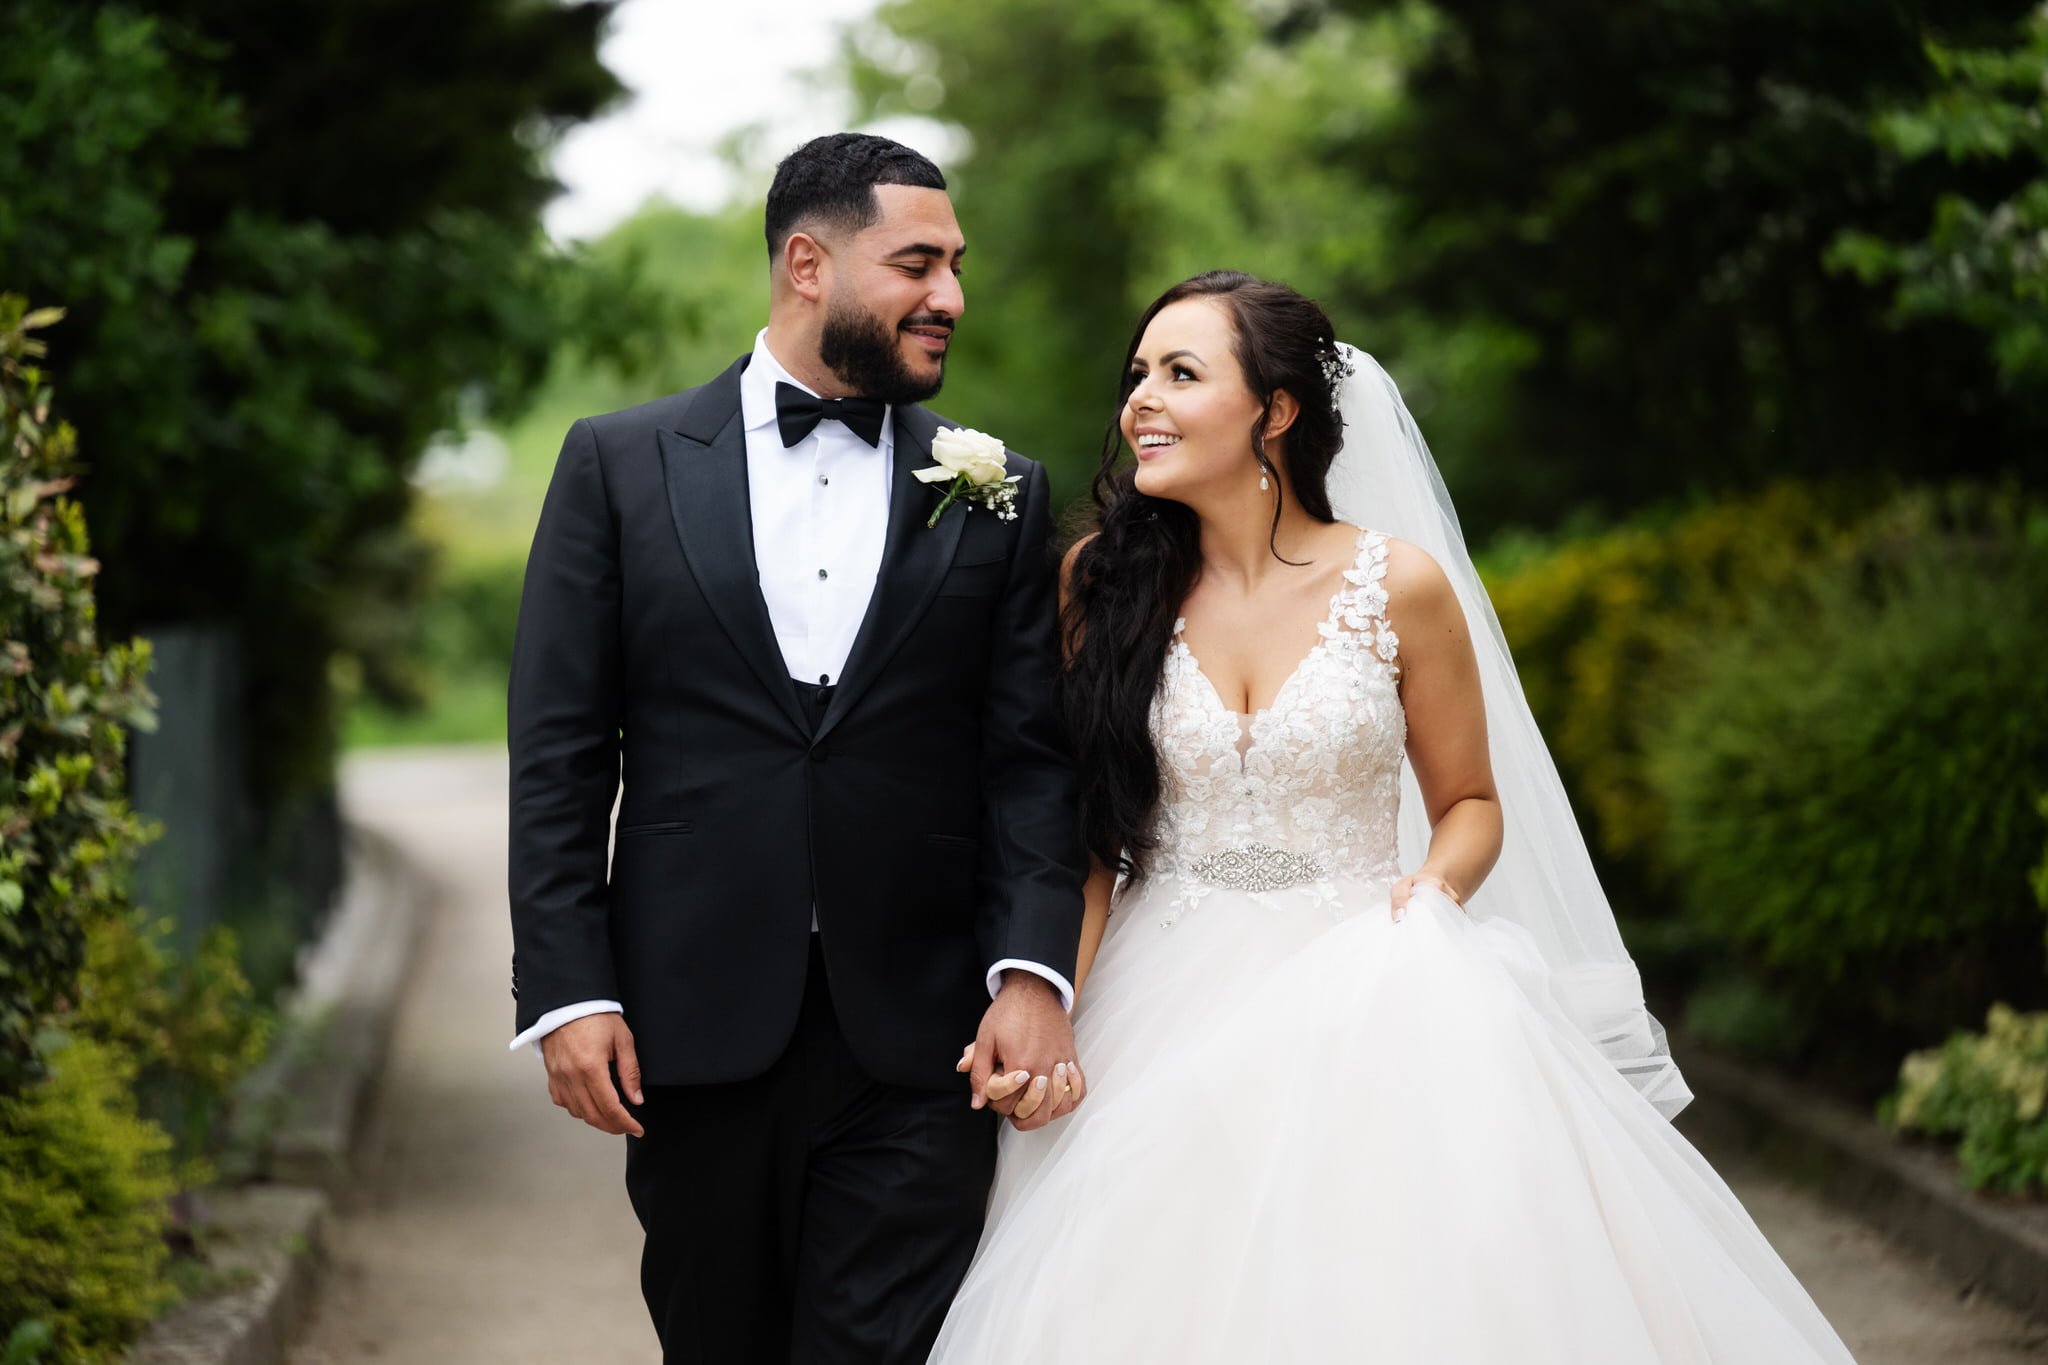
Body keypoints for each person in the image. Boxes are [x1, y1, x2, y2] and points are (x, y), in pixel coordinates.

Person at [930, 271, 1860, 1362]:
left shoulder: (1398, 585)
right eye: (1138, 372)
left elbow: (1466, 803)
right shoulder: (1100, 585)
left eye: (1181, 373)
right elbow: (1088, 835)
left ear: (1271, 412)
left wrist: (1434, 891)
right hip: (1155, 995)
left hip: (1371, 987)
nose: (1140, 397)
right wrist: (1054, 1006)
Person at [504, 132, 1089, 1363]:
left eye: (957, 266)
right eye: (917, 264)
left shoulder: (996, 488)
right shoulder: (616, 465)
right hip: (691, 1024)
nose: (951, 300)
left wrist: (1030, 975)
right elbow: (560, 750)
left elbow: (1028, 761)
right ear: (808, 264)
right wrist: (568, 989)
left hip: (924, 1034)